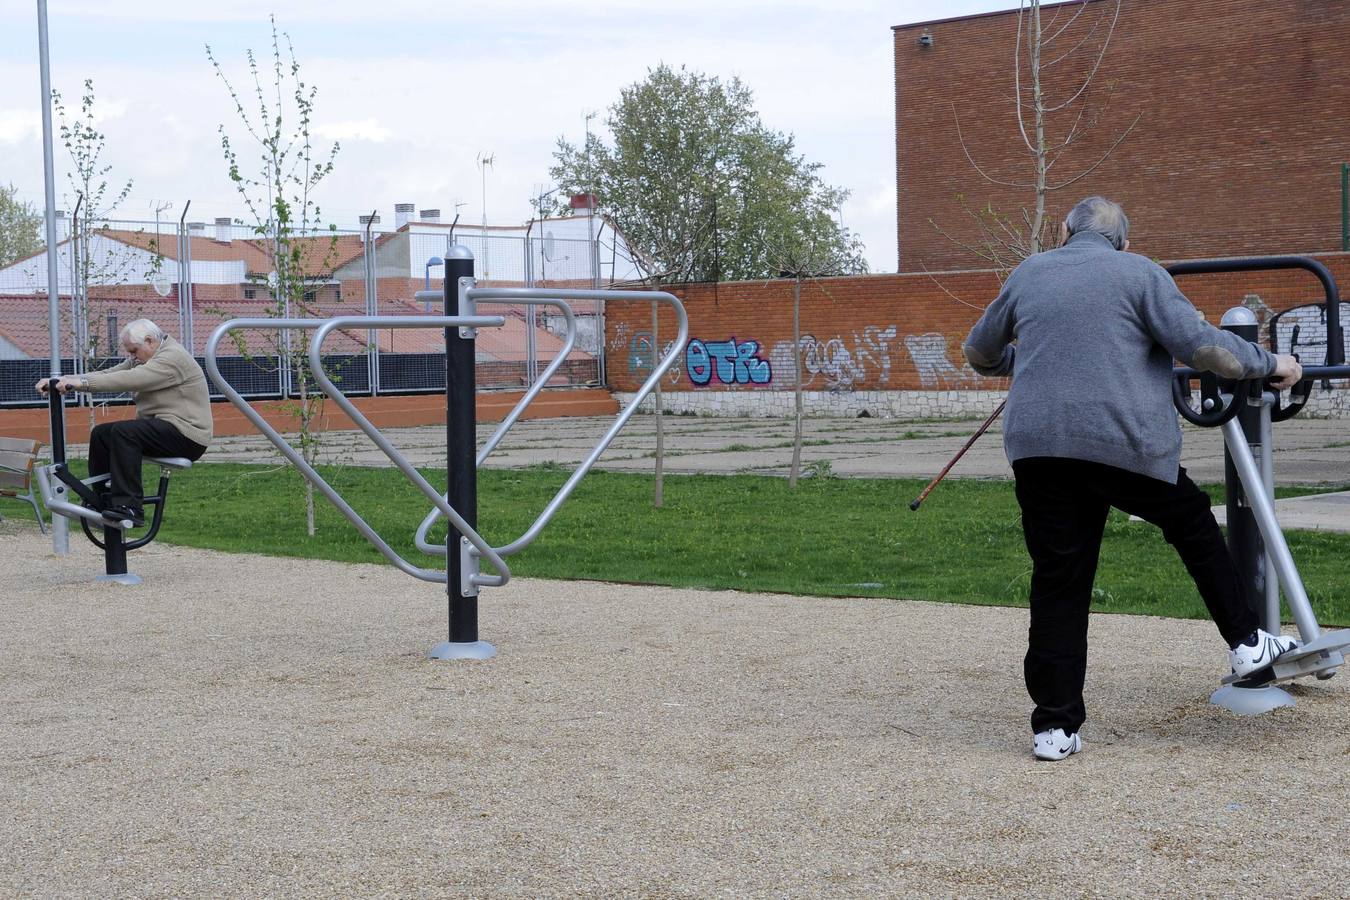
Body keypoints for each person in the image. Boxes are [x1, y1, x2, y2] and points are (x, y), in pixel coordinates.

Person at [962, 196, 1305, 761]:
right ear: (1124, 240)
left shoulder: (1029, 272)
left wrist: (1020, 364)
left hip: (1039, 450)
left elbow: (978, 350)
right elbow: (1206, 348)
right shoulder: (1140, 272)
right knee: (1191, 522)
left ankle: (1054, 728)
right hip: (1120, 442)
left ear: (1063, 229)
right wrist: (1273, 365)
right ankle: (1246, 642)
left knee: (1059, 578)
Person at [36, 318, 212, 526]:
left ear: (150, 341)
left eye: (134, 351)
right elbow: (110, 373)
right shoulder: (146, 357)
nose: (132, 357)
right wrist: (62, 380)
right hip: (163, 429)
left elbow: (129, 379)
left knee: (124, 431)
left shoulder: (172, 358)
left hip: (187, 435)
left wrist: (80, 384)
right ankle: (102, 500)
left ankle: (130, 507)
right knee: (101, 434)